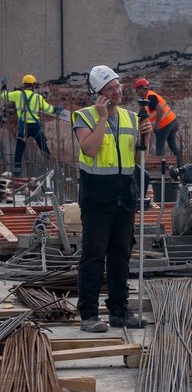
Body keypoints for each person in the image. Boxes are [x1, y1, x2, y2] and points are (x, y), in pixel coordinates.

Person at [73, 65, 151, 332]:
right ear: (99, 94)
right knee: (94, 255)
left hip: (124, 194)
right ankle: (89, 314)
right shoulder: (83, 117)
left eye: (118, 86)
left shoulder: (131, 117)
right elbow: (90, 149)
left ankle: (119, 310)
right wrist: (103, 118)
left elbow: (140, 156)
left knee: (121, 254)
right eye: (110, 88)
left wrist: (146, 137)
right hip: (97, 197)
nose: (117, 91)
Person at [1, 74, 64, 177]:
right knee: (43, 147)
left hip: (23, 127)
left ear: (24, 84)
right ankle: (53, 168)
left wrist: (4, 85)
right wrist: (58, 109)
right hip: (35, 127)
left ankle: (17, 173)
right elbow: (49, 109)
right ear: (33, 86)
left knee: (19, 151)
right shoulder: (38, 98)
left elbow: (3, 95)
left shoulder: (18, 94)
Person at [133, 78, 181, 168]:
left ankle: (160, 169)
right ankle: (179, 167)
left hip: (165, 124)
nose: (137, 93)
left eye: (137, 90)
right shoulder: (150, 96)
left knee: (159, 147)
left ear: (140, 89)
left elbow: (160, 109)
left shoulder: (150, 97)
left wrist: (157, 125)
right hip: (172, 121)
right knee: (172, 145)